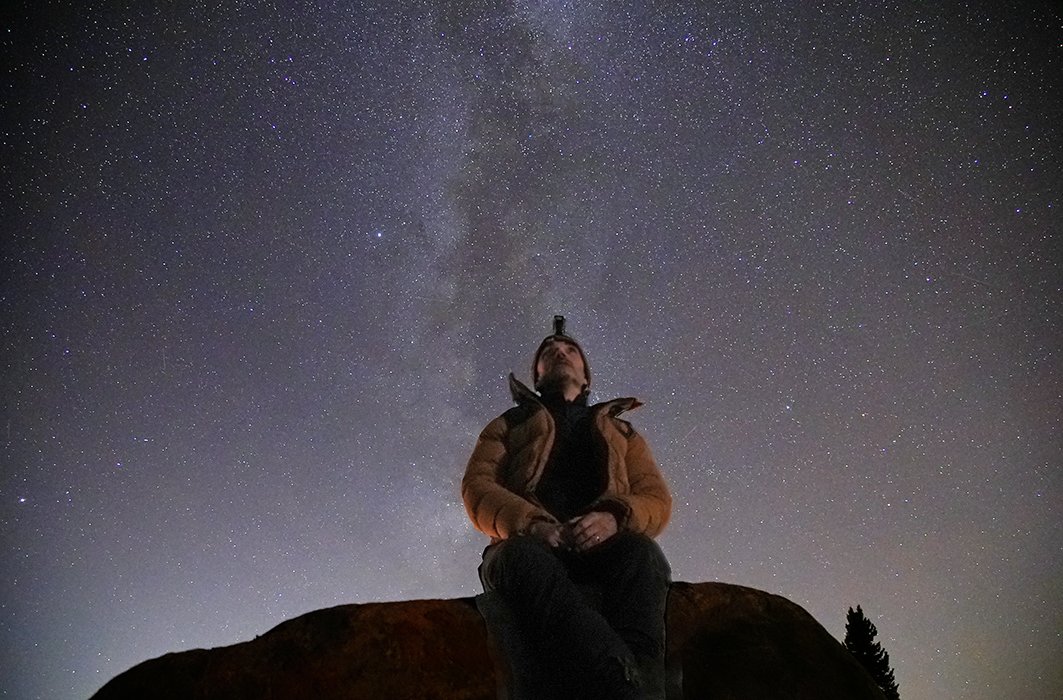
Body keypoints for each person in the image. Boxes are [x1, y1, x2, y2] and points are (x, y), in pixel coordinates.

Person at [462, 316, 672, 699]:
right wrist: (533, 525)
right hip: (528, 544)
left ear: (586, 377)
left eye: (570, 350)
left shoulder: (624, 433)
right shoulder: (509, 423)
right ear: (538, 376)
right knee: (524, 560)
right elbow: (478, 487)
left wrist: (614, 516)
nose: (560, 352)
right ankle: (628, 690)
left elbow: (655, 497)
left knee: (643, 555)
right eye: (549, 352)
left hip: (604, 545)